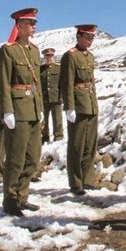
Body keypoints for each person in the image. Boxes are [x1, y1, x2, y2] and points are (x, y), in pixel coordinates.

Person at [0, 8, 44, 216]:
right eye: (29, 22)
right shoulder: (8, 50)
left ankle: (22, 196)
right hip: (17, 109)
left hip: (33, 109)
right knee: (15, 158)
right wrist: (7, 110)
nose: (34, 25)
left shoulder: (34, 50)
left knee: (33, 157)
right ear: (18, 25)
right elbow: (4, 82)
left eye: (34, 22)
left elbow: (38, 83)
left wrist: (40, 108)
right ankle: (10, 200)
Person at [60, 24, 99, 195]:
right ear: (79, 36)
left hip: (90, 104)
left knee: (90, 144)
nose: (90, 40)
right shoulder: (70, 56)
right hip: (78, 104)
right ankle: (75, 182)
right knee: (77, 144)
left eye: (92, 37)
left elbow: (92, 82)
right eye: (87, 37)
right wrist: (69, 107)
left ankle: (87, 179)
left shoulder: (89, 56)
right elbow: (66, 83)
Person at [40, 48, 64, 143]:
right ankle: (45, 137)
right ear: (44, 57)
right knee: (44, 120)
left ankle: (58, 137)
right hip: (44, 99)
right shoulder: (41, 69)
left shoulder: (58, 68)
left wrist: (61, 96)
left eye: (50, 56)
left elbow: (62, 83)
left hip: (56, 97)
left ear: (53, 56)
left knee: (57, 119)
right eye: (47, 56)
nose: (49, 58)